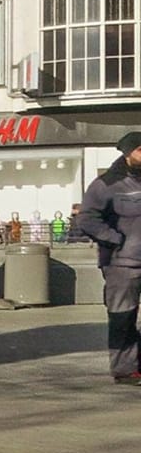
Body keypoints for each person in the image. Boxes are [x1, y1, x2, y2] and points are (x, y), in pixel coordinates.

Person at [79, 132, 141, 383]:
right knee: (122, 317)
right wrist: (115, 240)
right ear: (127, 154)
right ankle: (125, 370)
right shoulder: (106, 184)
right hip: (122, 264)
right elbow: (87, 219)